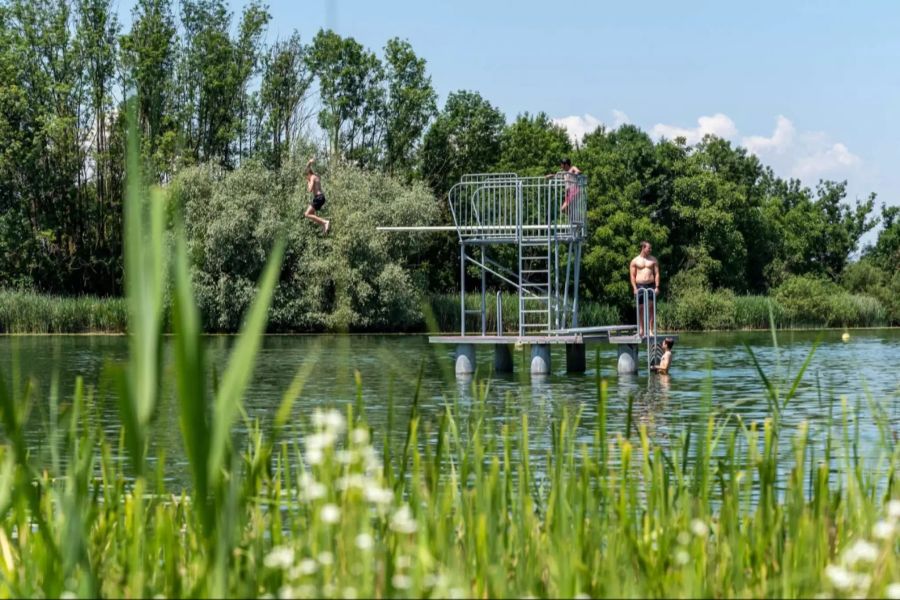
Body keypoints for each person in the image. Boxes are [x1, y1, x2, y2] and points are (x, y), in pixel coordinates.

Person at [630, 241, 660, 337]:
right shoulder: (635, 261)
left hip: (651, 286)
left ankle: (651, 330)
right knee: (641, 308)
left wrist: (657, 287)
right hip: (640, 286)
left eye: (650, 248)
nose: (650, 250)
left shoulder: (653, 260)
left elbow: (657, 274)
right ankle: (641, 330)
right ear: (643, 248)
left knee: (651, 308)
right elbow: (632, 276)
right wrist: (634, 288)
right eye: (649, 248)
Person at [304, 157, 330, 234]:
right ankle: (323, 224)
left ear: (308, 174)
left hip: (318, 198)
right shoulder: (315, 176)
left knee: (307, 214)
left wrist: (308, 182)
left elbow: (310, 189)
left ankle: (325, 222)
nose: (306, 178)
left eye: (306, 176)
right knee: (311, 214)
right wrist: (309, 162)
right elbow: (307, 168)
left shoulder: (312, 177)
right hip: (321, 198)